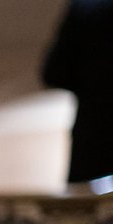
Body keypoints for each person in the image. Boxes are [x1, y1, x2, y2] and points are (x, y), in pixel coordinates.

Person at [42, 0, 113, 187]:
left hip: (95, 140)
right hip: (95, 139)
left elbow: (54, 73)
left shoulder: (86, 10)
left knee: (88, 209)